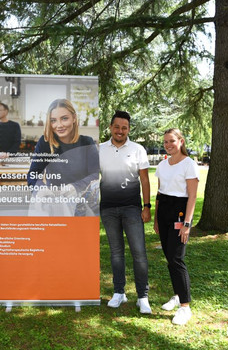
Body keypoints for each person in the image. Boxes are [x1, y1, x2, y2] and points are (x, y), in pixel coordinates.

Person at [99, 111, 152, 313]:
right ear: (110, 127)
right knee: (116, 254)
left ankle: (142, 296)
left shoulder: (138, 149)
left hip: (132, 208)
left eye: (124, 127)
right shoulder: (100, 149)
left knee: (139, 253)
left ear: (129, 129)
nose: (120, 131)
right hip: (108, 209)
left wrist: (146, 206)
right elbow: (93, 177)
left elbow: (145, 180)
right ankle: (119, 292)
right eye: (117, 127)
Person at [154, 128, 200, 325]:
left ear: (181, 141)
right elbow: (159, 193)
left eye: (172, 141)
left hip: (179, 213)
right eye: (165, 142)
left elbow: (192, 196)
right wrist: (156, 219)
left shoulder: (189, 164)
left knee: (177, 258)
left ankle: (185, 307)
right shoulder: (162, 165)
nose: (168, 144)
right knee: (169, 257)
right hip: (163, 211)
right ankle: (177, 295)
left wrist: (187, 224)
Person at [27, 98, 99, 216]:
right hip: (56, 205)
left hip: (83, 203)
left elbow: (96, 174)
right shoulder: (45, 143)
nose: (59, 125)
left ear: (74, 118)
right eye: (53, 120)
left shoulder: (86, 142)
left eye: (64, 118)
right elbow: (33, 173)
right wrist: (40, 188)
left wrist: (75, 187)